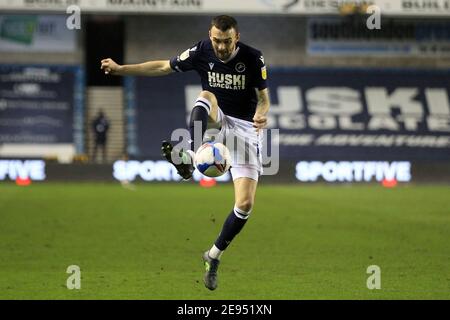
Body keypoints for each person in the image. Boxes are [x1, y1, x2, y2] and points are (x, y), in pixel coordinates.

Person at [100, 15, 270, 291]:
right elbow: (163, 67)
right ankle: (193, 153)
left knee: (245, 205)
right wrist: (121, 69)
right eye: (217, 40)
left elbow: (263, 100)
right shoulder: (202, 50)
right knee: (206, 96)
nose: (221, 47)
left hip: (246, 129)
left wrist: (262, 116)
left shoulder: (253, 58)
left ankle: (213, 256)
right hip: (218, 115)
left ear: (236, 38)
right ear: (210, 35)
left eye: (227, 42)